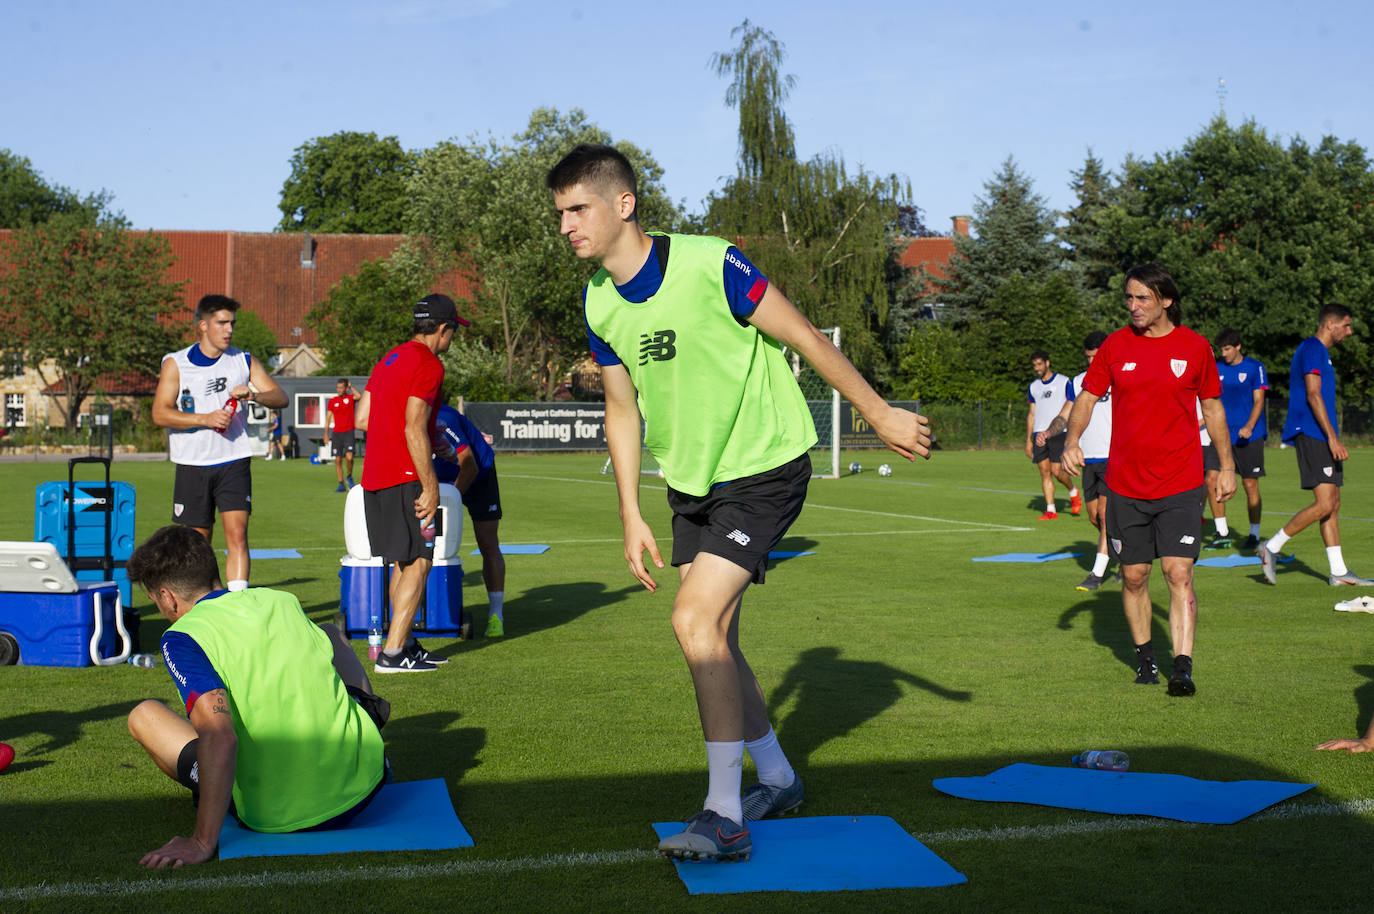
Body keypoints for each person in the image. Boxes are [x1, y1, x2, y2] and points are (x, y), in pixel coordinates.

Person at [547, 144, 932, 862]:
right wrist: (630, 512)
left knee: (692, 619)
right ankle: (778, 778)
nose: (567, 225)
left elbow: (806, 336)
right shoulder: (598, 301)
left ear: (622, 204)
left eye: (578, 209)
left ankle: (724, 813)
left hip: (763, 465)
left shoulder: (710, 262)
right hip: (692, 483)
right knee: (714, 638)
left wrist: (877, 413)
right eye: (560, 213)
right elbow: (621, 410)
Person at [124, 525, 388, 868]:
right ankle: (363, 733)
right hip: (365, 785)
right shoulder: (281, 600)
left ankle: (225, 797)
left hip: (279, 814)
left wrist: (202, 841)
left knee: (144, 715)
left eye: (156, 599)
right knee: (329, 633)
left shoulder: (183, 637)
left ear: (168, 597)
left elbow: (220, 736)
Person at [1061, 263, 1235, 698]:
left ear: (1166, 301)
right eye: (1129, 298)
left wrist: (1227, 465)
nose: (1133, 306)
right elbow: (1085, 397)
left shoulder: (1195, 348)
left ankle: (1182, 667)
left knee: (1178, 573)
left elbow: (1212, 410)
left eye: (1142, 298)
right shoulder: (1116, 346)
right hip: (1125, 485)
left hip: (1180, 482)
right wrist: (1072, 440)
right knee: (1135, 576)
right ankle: (1145, 660)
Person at [355, 293, 468, 673]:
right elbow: (412, 425)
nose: (452, 338)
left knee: (403, 562)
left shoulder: (389, 359)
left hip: (375, 475)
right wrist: (431, 484)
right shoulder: (429, 364)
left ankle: (402, 643)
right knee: (420, 561)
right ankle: (391, 654)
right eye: (453, 331)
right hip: (407, 477)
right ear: (443, 329)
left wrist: (431, 437)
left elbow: (363, 418)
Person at [152, 294, 287, 592]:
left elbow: (280, 397)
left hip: (233, 461)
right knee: (196, 546)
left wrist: (253, 395)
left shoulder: (243, 361)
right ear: (203, 325)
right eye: (221, 323)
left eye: (232, 324)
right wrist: (205, 419)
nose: (228, 330)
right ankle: (203, 608)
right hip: (192, 465)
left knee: (237, 535)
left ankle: (237, 604)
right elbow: (160, 413)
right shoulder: (177, 363)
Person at [1259, 304, 1372, 586]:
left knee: (1333, 504)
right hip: (1311, 433)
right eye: (1346, 325)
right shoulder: (1312, 348)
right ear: (1330, 324)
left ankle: (1339, 572)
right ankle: (1270, 548)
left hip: (1320, 434)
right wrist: (1332, 438)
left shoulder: (1322, 354)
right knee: (1324, 504)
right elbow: (1313, 395)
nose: (1349, 331)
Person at [1037, 332, 1112, 591]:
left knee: (1105, 514)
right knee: (1095, 518)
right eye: (1089, 357)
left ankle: (1097, 573)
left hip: (1115, 458)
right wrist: (1049, 431)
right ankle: (1127, 555)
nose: (1093, 363)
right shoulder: (1079, 382)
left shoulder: (1121, 378)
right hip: (1088, 461)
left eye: (1097, 357)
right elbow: (1066, 414)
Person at [432, 403, 507, 638]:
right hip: (437, 477)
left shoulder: (442, 419)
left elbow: (469, 466)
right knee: (427, 545)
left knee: (487, 542)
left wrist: (451, 503)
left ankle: (496, 614)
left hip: (478, 474)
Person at [1203, 328, 1268, 551]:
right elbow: (1211, 402)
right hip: (1220, 435)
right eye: (1221, 349)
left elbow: (1259, 401)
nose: (1224, 353)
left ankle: (1254, 534)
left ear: (1238, 347)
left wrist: (1249, 426)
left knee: (1249, 484)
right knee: (1211, 479)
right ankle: (1222, 533)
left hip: (1249, 436)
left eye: (1228, 349)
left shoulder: (1254, 367)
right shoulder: (1216, 368)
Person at [1025, 350, 1082, 520]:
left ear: (1047, 363)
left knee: (1057, 471)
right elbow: (1032, 414)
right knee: (1044, 472)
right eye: (1034, 365)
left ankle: (1073, 491)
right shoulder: (1033, 387)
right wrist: (1029, 439)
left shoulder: (1064, 382)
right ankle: (1051, 510)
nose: (1037, 368)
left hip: (1058, 433)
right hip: (1039, 435)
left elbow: (1072, 405)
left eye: (1040, 364)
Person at [326, 378, 361, 492]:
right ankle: (341, 483)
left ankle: (349, 476)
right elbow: (328, 418)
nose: (339, 390)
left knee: (349, 458)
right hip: (337, 434)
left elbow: (359, 396)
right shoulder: (332, 401)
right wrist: (325, 434)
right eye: (338, 387)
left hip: (348, 432)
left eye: (341, 387)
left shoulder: (350, 398)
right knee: (337, 460)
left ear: (346, 388)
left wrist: (351, 387)